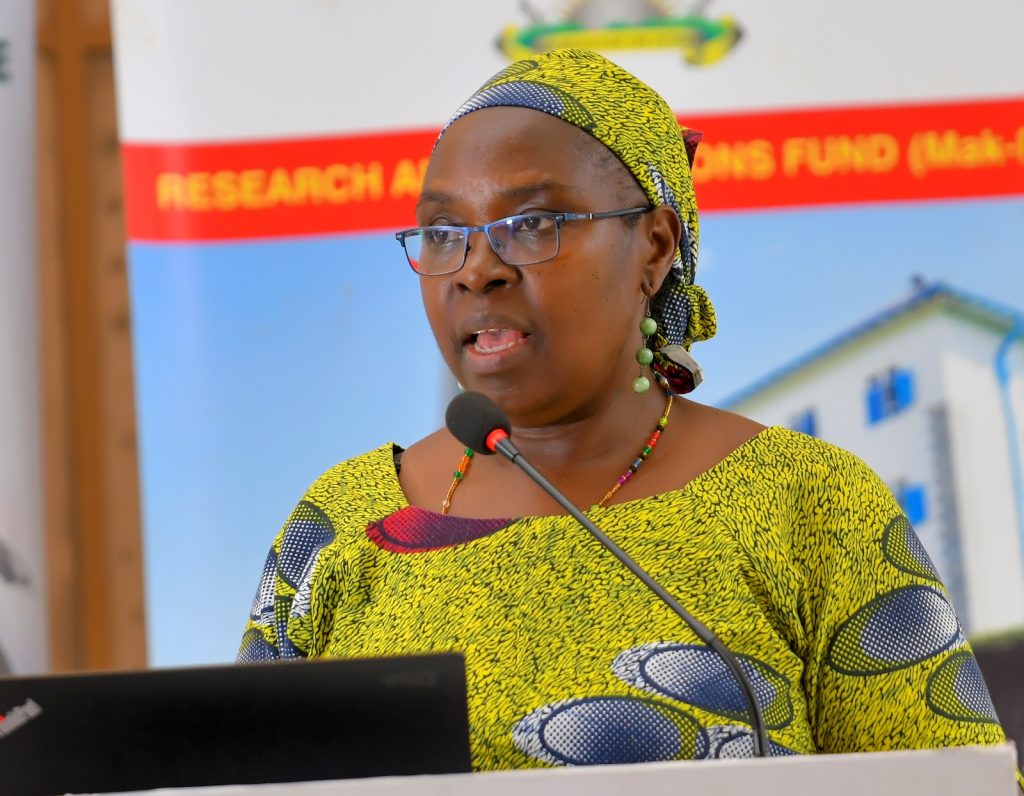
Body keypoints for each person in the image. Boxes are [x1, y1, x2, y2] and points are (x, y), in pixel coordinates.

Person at [238, 48, 1017, 774]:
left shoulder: (807, 503)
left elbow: (951, 783)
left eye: (530, 224)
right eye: (444, 233)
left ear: (653, 247)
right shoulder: (338, 525)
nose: (476, 269)